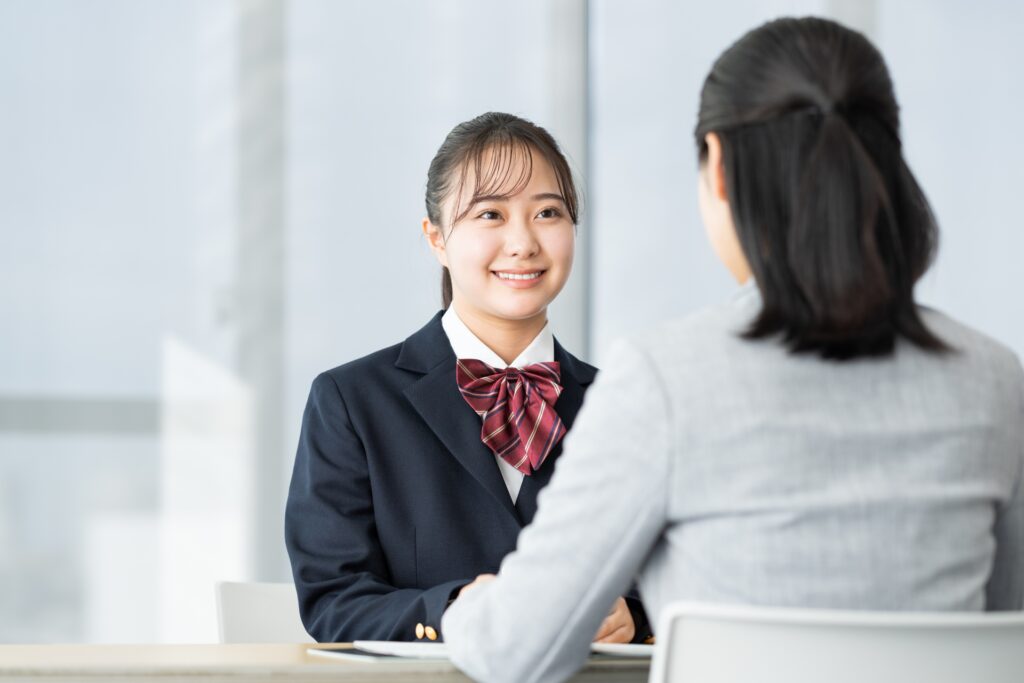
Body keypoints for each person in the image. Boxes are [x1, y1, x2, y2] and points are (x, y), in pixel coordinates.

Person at [442, 17, 1024, 683]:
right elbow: (1003, 623)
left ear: (718, 165)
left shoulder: (665, 379)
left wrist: (475, 603)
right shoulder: (994, 379)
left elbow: (515, 649)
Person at [285, 112, 650, 643]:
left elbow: (681, 573)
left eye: (547, 212)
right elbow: (333, 599)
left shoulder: (627, 404)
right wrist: (452, 609)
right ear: (436, 238)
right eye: (490, 214)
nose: (522, 242)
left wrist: (635, 616)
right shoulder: (351, 402)